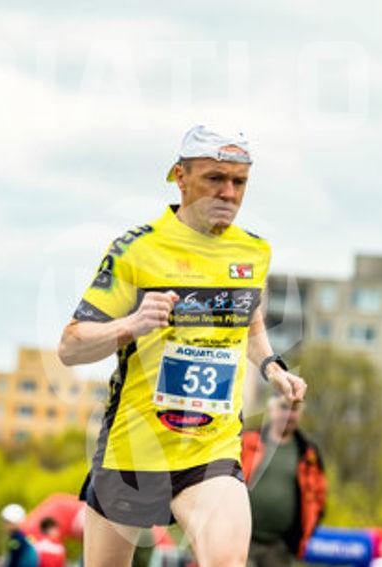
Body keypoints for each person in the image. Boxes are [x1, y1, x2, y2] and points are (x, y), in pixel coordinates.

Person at [58, 124, 307, 567]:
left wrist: (271, 366)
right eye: (215, 178)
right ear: (180, 177)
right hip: (134, 449)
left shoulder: (253, 253)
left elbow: (249, 325)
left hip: (211, 449)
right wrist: (131, 324)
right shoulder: (136, 249)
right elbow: (70, 347)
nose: (229, 193)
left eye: (239, 182)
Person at [241, 394, 327, 567]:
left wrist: (303, 534)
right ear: (271, 409)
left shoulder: (308, 452)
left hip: (280, 547)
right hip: (241, 539)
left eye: (294, 409)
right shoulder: (248, 440)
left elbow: (318, 497)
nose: (288, 414)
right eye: (283, 407)